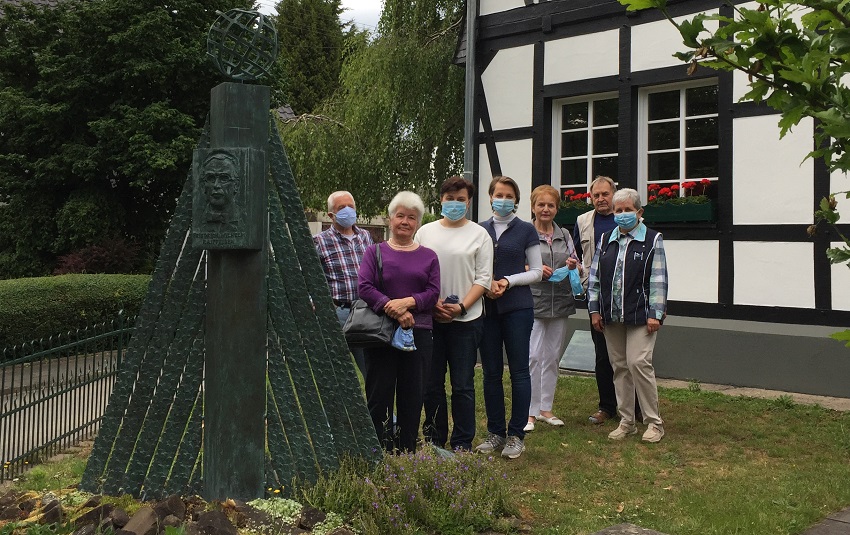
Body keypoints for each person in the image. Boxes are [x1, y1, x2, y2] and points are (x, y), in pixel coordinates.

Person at [415, 176, 493, 452]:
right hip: (430, 318)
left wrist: (460, 307)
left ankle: (462, 442)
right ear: (441, 200)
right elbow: (417, 272)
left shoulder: (480, 235)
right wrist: (433, 303)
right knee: (431, 383)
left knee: (462, 384)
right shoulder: (425, 232)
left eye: (461, 199)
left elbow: (483, 279)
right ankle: (435, 438)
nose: (455, 204)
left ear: (469, 202)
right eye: (450, 199)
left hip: (466, 321)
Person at [358, 191, 440, 453]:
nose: (405, 221)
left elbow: (433, 292)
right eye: (400, 216)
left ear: (418, 222)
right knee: (379, 395)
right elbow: (365, 287)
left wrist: (408, 303)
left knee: (412, 395)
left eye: (412, 217)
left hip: (418, 335)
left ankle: (407, 452)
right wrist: (393, 309)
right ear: (390, 219)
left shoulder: (429, 256)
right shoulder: (374, 251)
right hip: (380, 334)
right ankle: (377, 452)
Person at [587, 188, 668, 443]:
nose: (622, 215)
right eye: (618, 211)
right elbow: (594, 277)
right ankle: (627, 421)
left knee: (638, 363)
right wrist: (594, 309)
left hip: (641, 315)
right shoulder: (606, 240)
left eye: (627, 210)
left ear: (639, 212)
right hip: (611, 315)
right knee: (620, 367)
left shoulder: (652, 239)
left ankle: (654, 422)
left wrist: (655, 313)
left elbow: (658, 279)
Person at [475, 176, 543, 459]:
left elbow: (537, 271)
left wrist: (507, 281)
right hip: (486, 308)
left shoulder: (526, 230)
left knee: (518, 371)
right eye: (498, 194)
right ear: (490, 197)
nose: (503, 199)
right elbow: (472, 264)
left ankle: (516, 435)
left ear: (516, 200)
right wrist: (486, 284)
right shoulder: (478, 230)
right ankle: (495, 433)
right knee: (490, 372)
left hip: (517, 307)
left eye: (509, 195)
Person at [573, 176, 641, 425]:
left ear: (614, 194)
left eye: (605, 194)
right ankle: (607, 406)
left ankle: (636, 407)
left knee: (631, 355)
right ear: (591, 198)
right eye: (596, 195)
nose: (601, 199)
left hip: (629, 297)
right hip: (598, 297)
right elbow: (578, 257)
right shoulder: (582, 222)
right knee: (603, 355)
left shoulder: (628, 217)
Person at [525, 185, 577, 433]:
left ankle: (546, 409)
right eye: (541, 204)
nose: (546, 209)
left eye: (551, 205)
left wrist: (572, 263)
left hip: (560, 302)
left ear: (557, 208)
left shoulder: (565, 234)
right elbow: (516, 265)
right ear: (533, 207)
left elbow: (576, 262)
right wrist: (532, 270)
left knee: (552, 357)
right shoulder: (524, 233)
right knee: (533, 357)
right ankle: (530, 412)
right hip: (533, 302)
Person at [313, 191, 373, 375]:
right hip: (337, 314)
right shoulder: (319, 241)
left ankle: (372, 405)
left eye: (351, 207)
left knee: (370, 370)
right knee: (334, 374)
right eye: (341, 208)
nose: (348, 211)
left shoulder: (365, 237)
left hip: (365, 313)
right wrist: (317, 304)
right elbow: (309, 277)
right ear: (331, 215)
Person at [200, 150, 243, 231]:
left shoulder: (244, 217)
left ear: (236, 185)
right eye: (211, 178)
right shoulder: (199, 218)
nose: (216, 185)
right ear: (203, 186)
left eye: (224, 178)